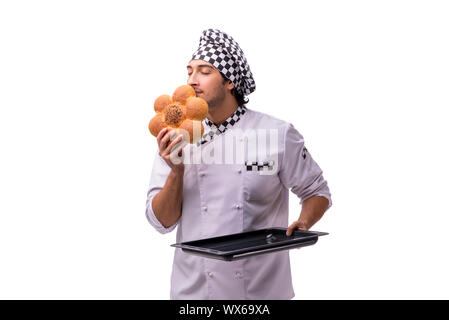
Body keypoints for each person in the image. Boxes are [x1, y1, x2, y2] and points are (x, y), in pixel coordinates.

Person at [145, 29, 332, 300]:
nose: (191, 82)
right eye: (189, 71)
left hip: (262, 293)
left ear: (230, 81)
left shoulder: (276, 134)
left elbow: (317, 191)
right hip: (194, 295)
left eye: (204, 72)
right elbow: (161, 222)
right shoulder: (177, 136)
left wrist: (303, 222)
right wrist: (176, 170)